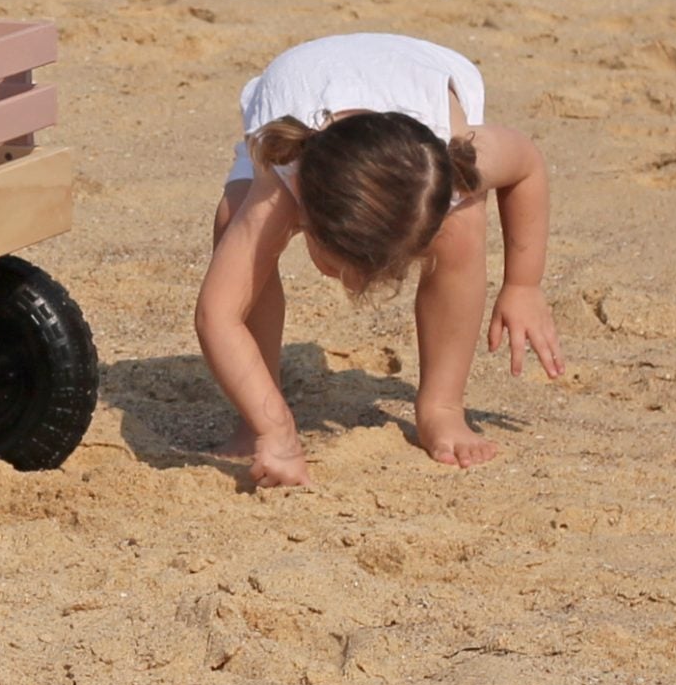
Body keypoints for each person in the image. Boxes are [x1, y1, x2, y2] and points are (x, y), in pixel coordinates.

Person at [193, 33, 561, 488]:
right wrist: (275, 428)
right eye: (343, 266)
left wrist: (522, 285)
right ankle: (254, 418)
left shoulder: (452, 159)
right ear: (303, 212)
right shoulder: (285, 176)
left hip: (415, 73)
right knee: (233, 218)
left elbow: (527, 164)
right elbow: (217, 315)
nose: (357, 283)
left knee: (462, 232)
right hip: (301, 90)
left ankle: (441, 405)